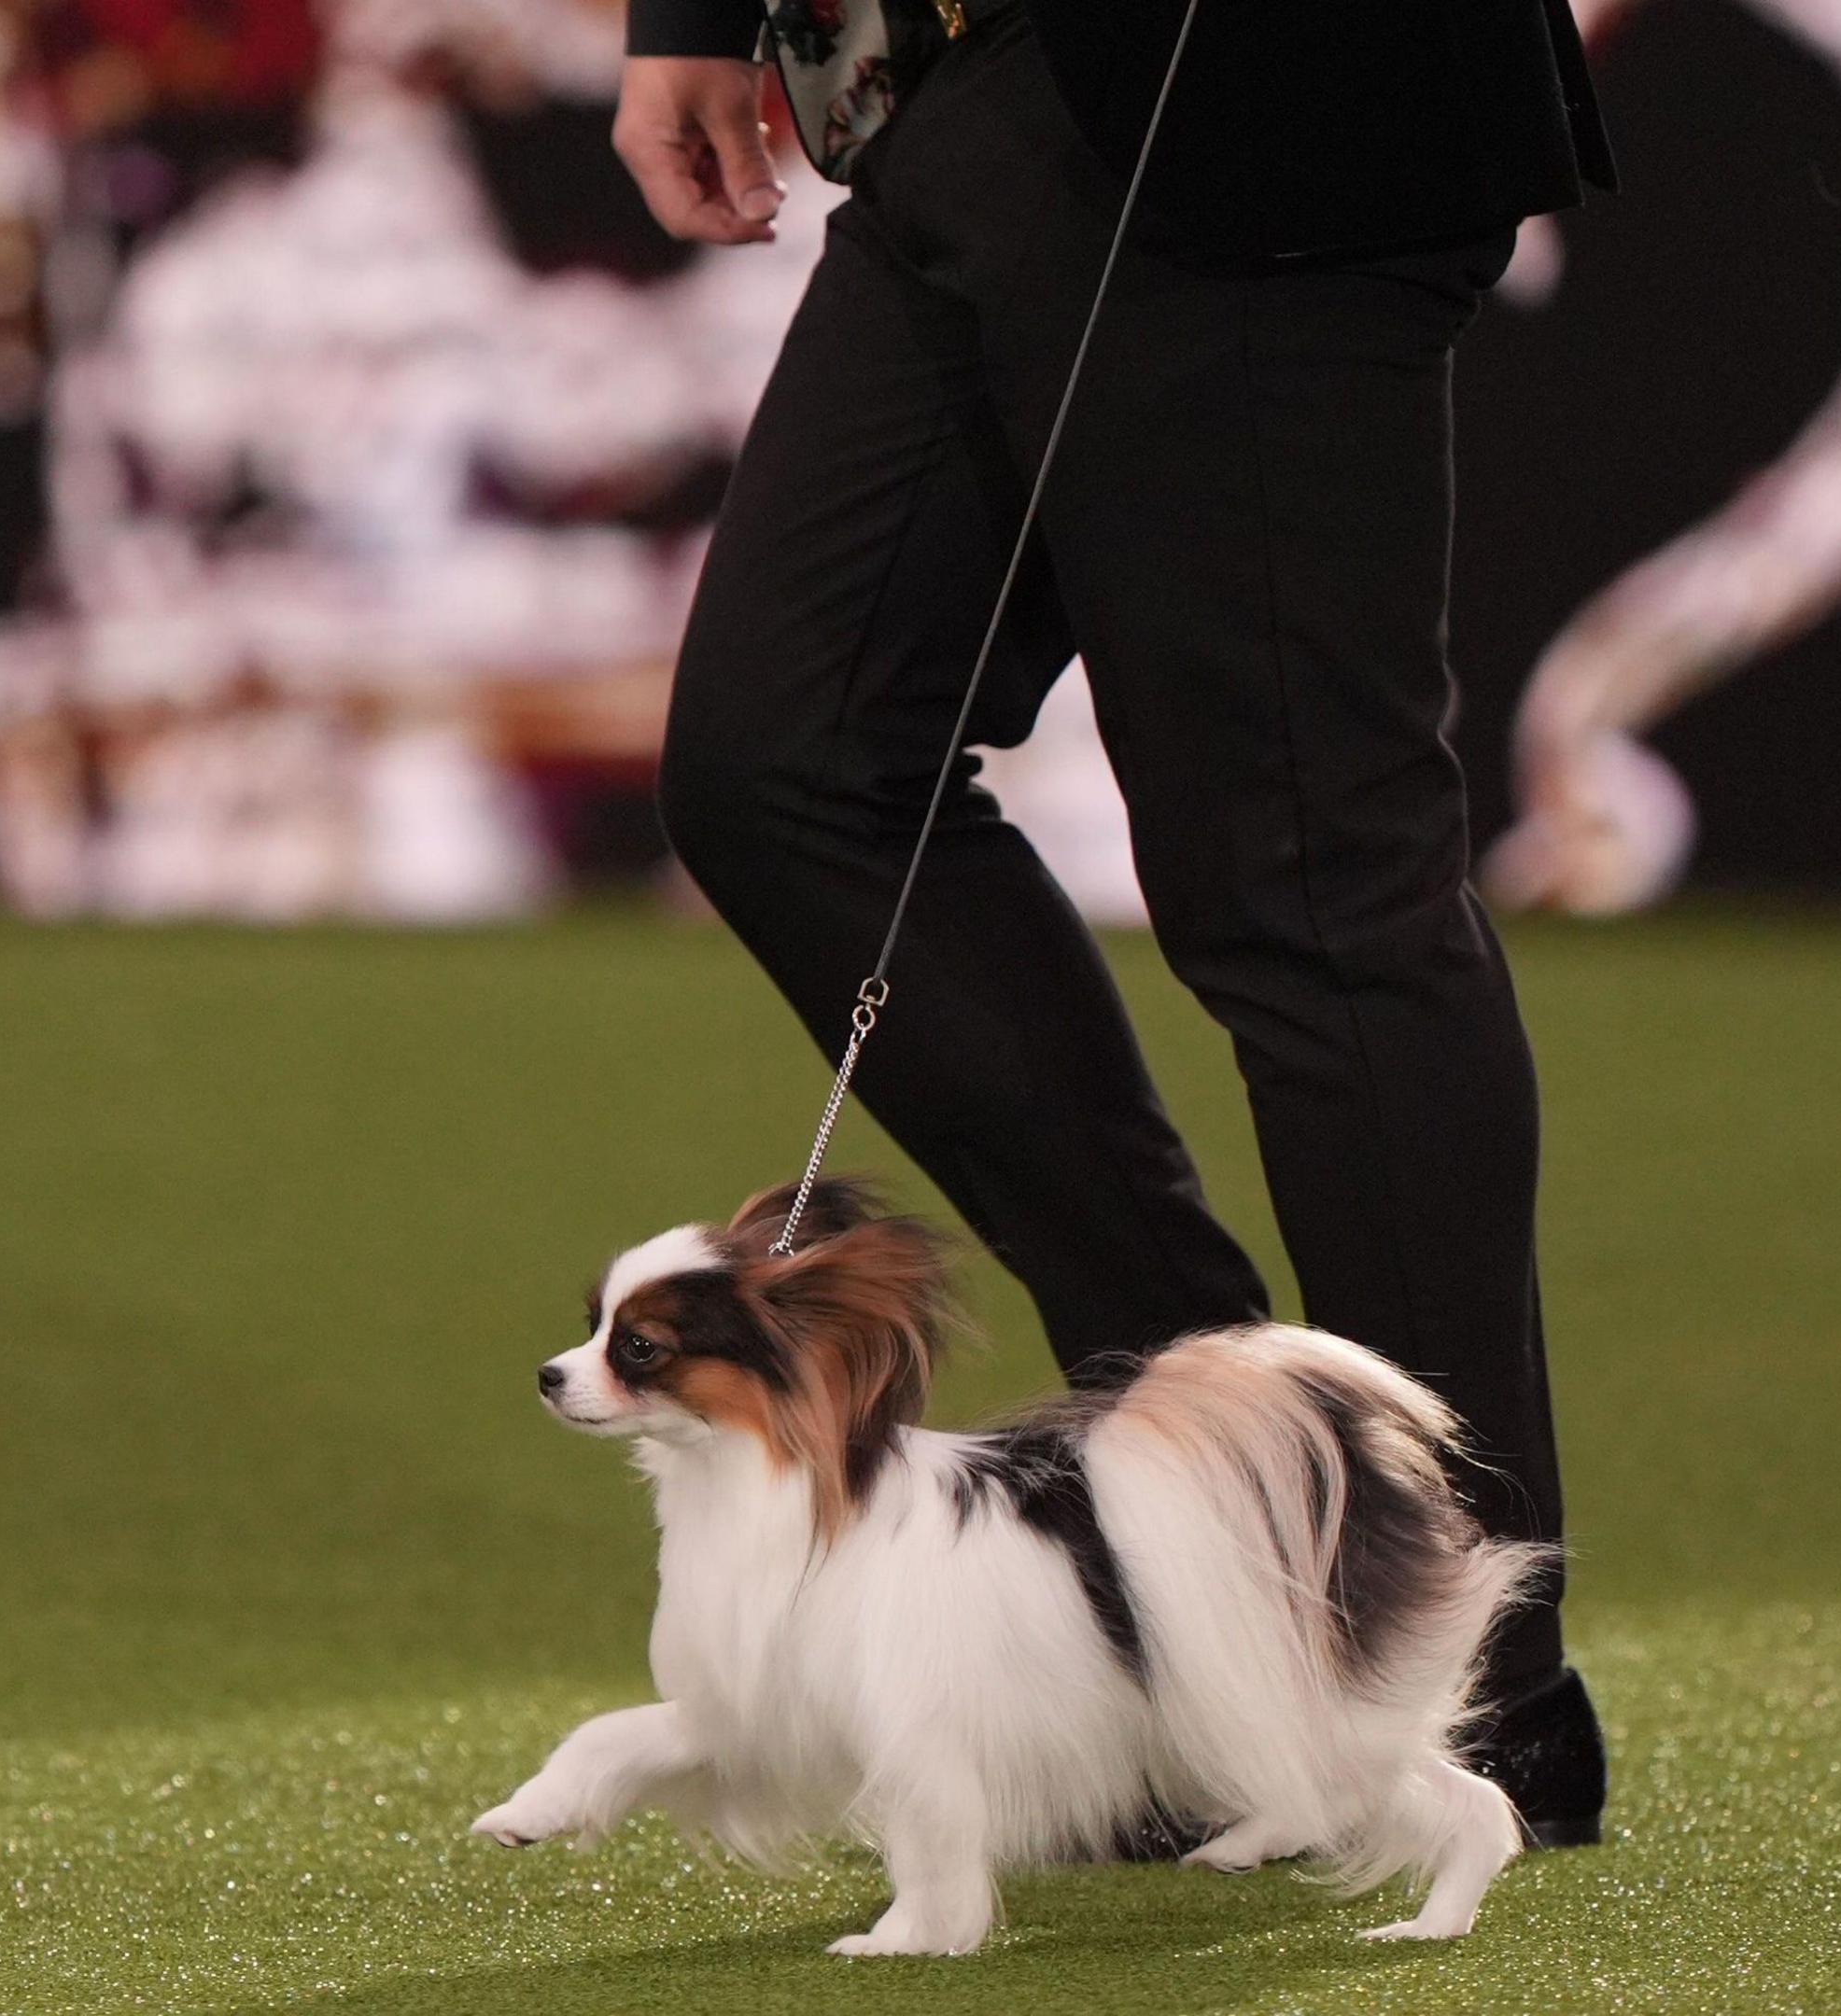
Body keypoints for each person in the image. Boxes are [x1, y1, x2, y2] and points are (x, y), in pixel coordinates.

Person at [616, 0, 1616, 1846]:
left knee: (1314, 894)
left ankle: (1466, 1686)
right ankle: (1209, 1520)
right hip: (961, 97)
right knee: (784, 765)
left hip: (1252, 105)